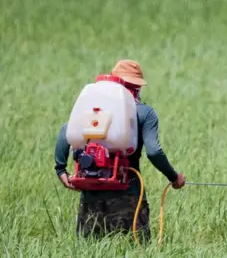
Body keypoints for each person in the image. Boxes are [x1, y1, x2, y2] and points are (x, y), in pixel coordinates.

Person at [53, 59, 186, 242]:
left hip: (91, 196)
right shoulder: (144, 113)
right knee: (137, 250)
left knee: (89, 252)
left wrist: (61, 169)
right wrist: (174, 177)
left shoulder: (93, 110)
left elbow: (64, 131)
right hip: (129, 195)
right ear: (137, 88)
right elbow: (154, 152)